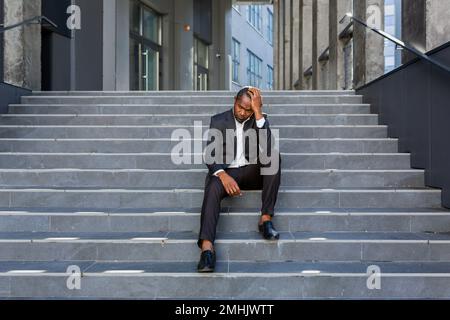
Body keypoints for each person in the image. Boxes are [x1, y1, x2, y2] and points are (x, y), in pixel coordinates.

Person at [197, 86, 282, 273]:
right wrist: (223, 175)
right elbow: (210, 155)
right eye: (240, 107)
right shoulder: (218, 120)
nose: (243, 113)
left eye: (248, 109)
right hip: (227, 172)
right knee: (212, 186)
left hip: (251, 172)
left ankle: (265, 219)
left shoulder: (258, 120)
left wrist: (258, 113)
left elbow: (267, 148)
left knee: (273, 157)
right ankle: (207, 249)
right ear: (234, 101)